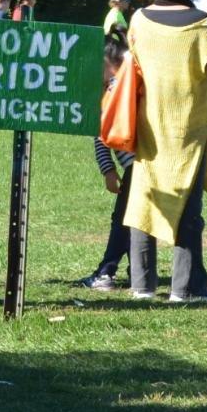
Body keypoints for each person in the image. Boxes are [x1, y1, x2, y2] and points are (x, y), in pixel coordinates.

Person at [122, 0, 207, 304]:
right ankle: (185, 287)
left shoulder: (138, 20)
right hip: (190, 127)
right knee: (188, 210)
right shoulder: (202, 25)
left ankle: (142, 284)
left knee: (143, 203)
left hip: (148, 124)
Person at [77, 39, 135, 290]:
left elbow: (100, 133)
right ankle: (139, 273)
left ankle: (106, 273)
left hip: (136, 166)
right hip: (142, 164)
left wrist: (108, 170)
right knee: (133, 220)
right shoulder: (127, 85)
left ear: (109, 64)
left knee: (124, 220)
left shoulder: (114, 89)